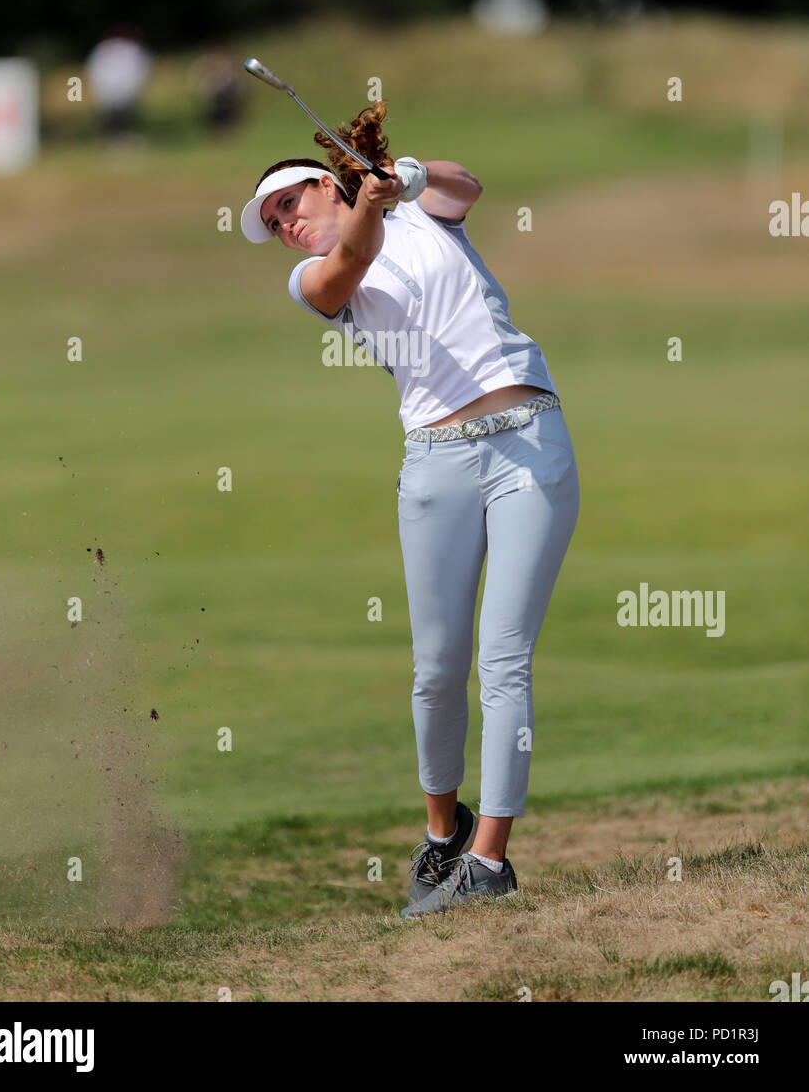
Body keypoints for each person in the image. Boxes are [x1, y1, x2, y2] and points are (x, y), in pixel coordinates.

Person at [240, 99, 580, 917]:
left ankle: (490, 865)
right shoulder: (316, 277)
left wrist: (413, 176)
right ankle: (442, 834)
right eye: (273, 220)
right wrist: (369, 205)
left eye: (291, 202)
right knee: (435, 671)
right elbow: (351, 260)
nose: (285, 224)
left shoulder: (422, 212)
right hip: (434, 463)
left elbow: (469, 186)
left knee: (502, 659)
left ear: (327, 182)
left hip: (529, 438)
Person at [85, 25, 152, 139]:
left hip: (123, 89)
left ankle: (125, 138)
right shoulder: (106, 49)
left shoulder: (130, 49)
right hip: (112, 90)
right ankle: (111, 139)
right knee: (111, 120)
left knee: (126, 118)